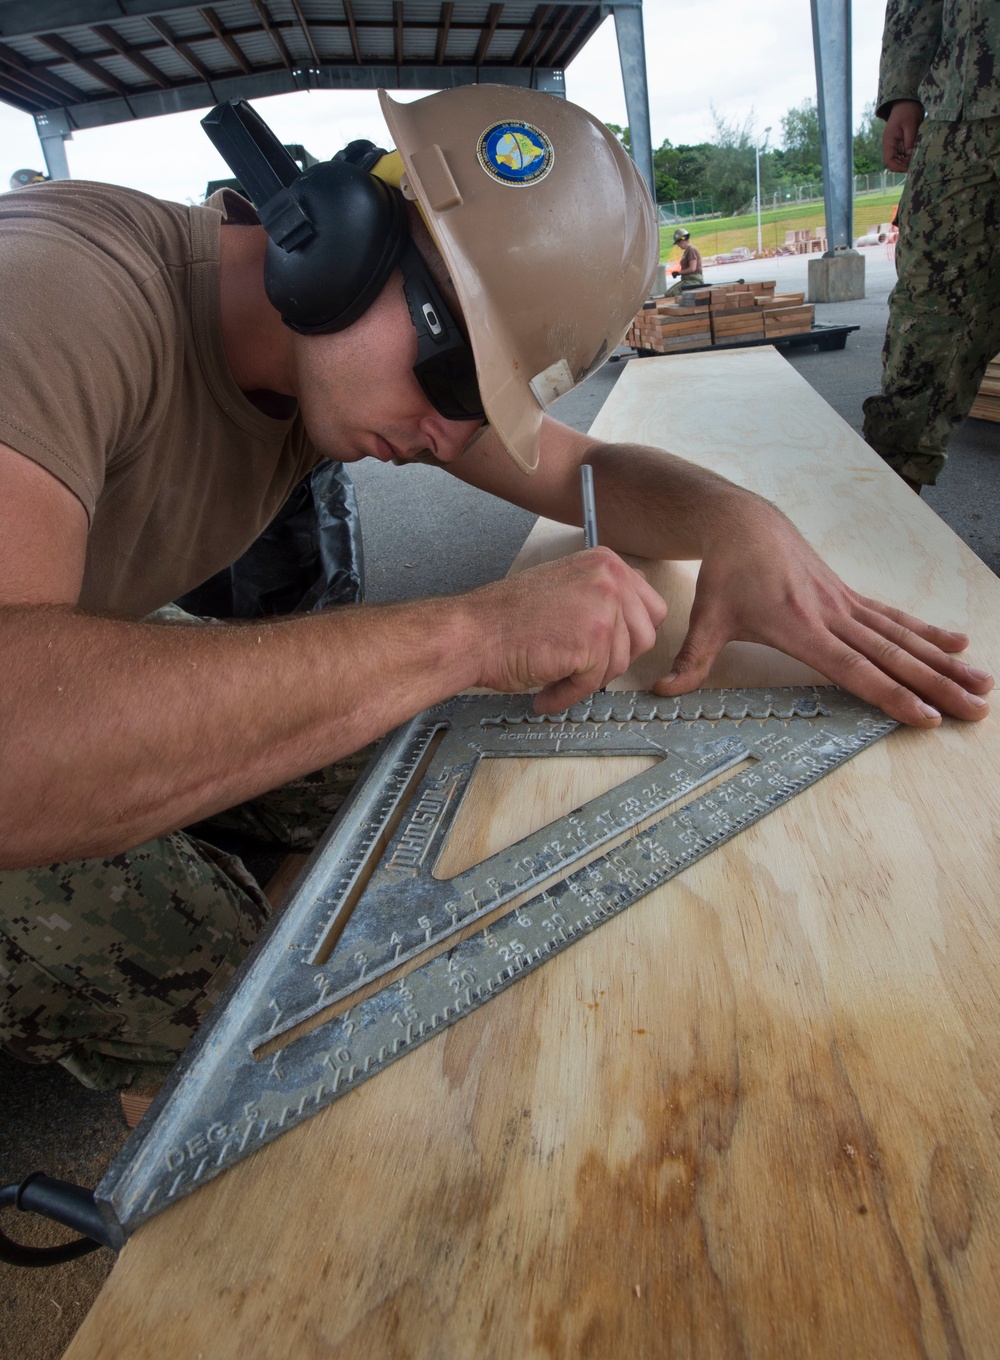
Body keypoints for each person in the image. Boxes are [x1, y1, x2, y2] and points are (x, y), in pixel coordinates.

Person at [0, 85, 992, 1100]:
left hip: (65, 630)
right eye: (458, 382)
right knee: (225, 1005)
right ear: (334, 244)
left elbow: (586, 471)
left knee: (415, 761)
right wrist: (468, 632)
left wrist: (739, 521)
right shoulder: (58, 291)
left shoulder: (339, 355)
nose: (448, 435)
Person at [861, 0, 1000, 492]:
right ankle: (887, 520)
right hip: (961, 104)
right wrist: (904, 88)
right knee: (927, 323)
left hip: (963, 102)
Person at [664, 227, 704, 296]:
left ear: (682, 241)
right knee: (668, 293)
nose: (678, 246)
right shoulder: (687, 251)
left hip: (694, 280)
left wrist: (678, 273)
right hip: (687, 280)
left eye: (678, 244)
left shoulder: (691, 250)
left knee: (671, 294)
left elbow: (692, 268)